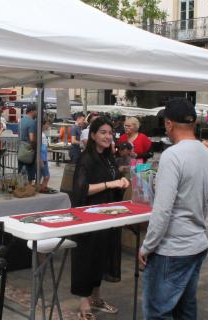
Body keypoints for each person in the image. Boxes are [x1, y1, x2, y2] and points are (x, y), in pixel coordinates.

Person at [138, 98, 208, 319]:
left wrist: (147, 246)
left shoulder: (172, 155)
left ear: (169, 124)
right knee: (185, 309)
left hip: (172, 249)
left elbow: (162, 210)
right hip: (196, 243)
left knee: (157, 312)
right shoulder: (207, 154)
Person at [70, 117, 130, 320]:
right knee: (87, 258)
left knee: (102, 256)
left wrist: (120, 179)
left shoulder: (108, 157)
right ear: (93, 135)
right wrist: (110, 184)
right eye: (102, 132)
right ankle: (84, 302)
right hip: (89, 218)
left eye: (110, 133)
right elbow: (81, 189)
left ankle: (96, 297)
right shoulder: (85, 159)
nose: (107, 136)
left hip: (107, 216)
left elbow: (111, 178)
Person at [18, 105, 37, 182]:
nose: (37, 113)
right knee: (30, 173)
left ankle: (20, 187)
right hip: (29, 150)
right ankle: (28, 189)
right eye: (36, 111)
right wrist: (36, 145)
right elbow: (32, 138)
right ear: (32, 111)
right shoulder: (32, 122)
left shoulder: (21, 120)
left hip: (21, 148)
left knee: (20, 171)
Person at [38, 120, 56, 193]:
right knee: (46, 176)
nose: (48, 126)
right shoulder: (40, 134)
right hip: (42, 158)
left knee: (43, 176)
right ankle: (42, 189)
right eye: (47, 124)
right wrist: (40, 159)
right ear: (43, 124)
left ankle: (42, 188)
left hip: (44, 157)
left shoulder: (42, 134)